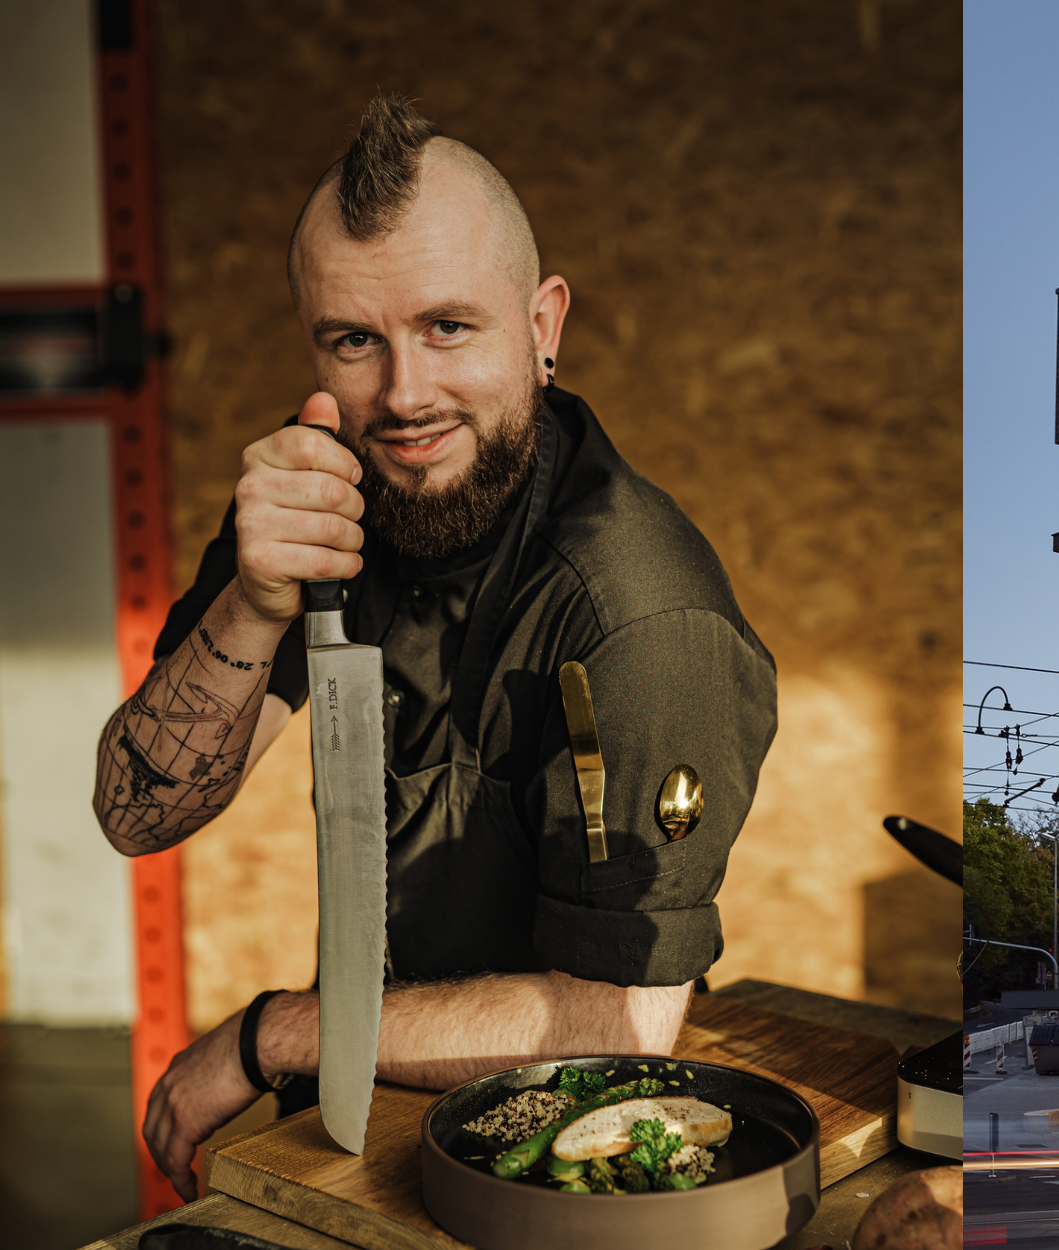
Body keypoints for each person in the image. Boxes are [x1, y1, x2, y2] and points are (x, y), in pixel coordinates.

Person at [90, 95, 777, 1200]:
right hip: (365, 1151)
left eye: (448, 327)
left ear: (544, 326)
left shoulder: (641, 615)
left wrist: (271, 1034)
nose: (402, 395)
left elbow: (618, 1017)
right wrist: (254, 606)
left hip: (555, 1176)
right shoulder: (324, 498)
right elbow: (135, 813)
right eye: (355, 340)